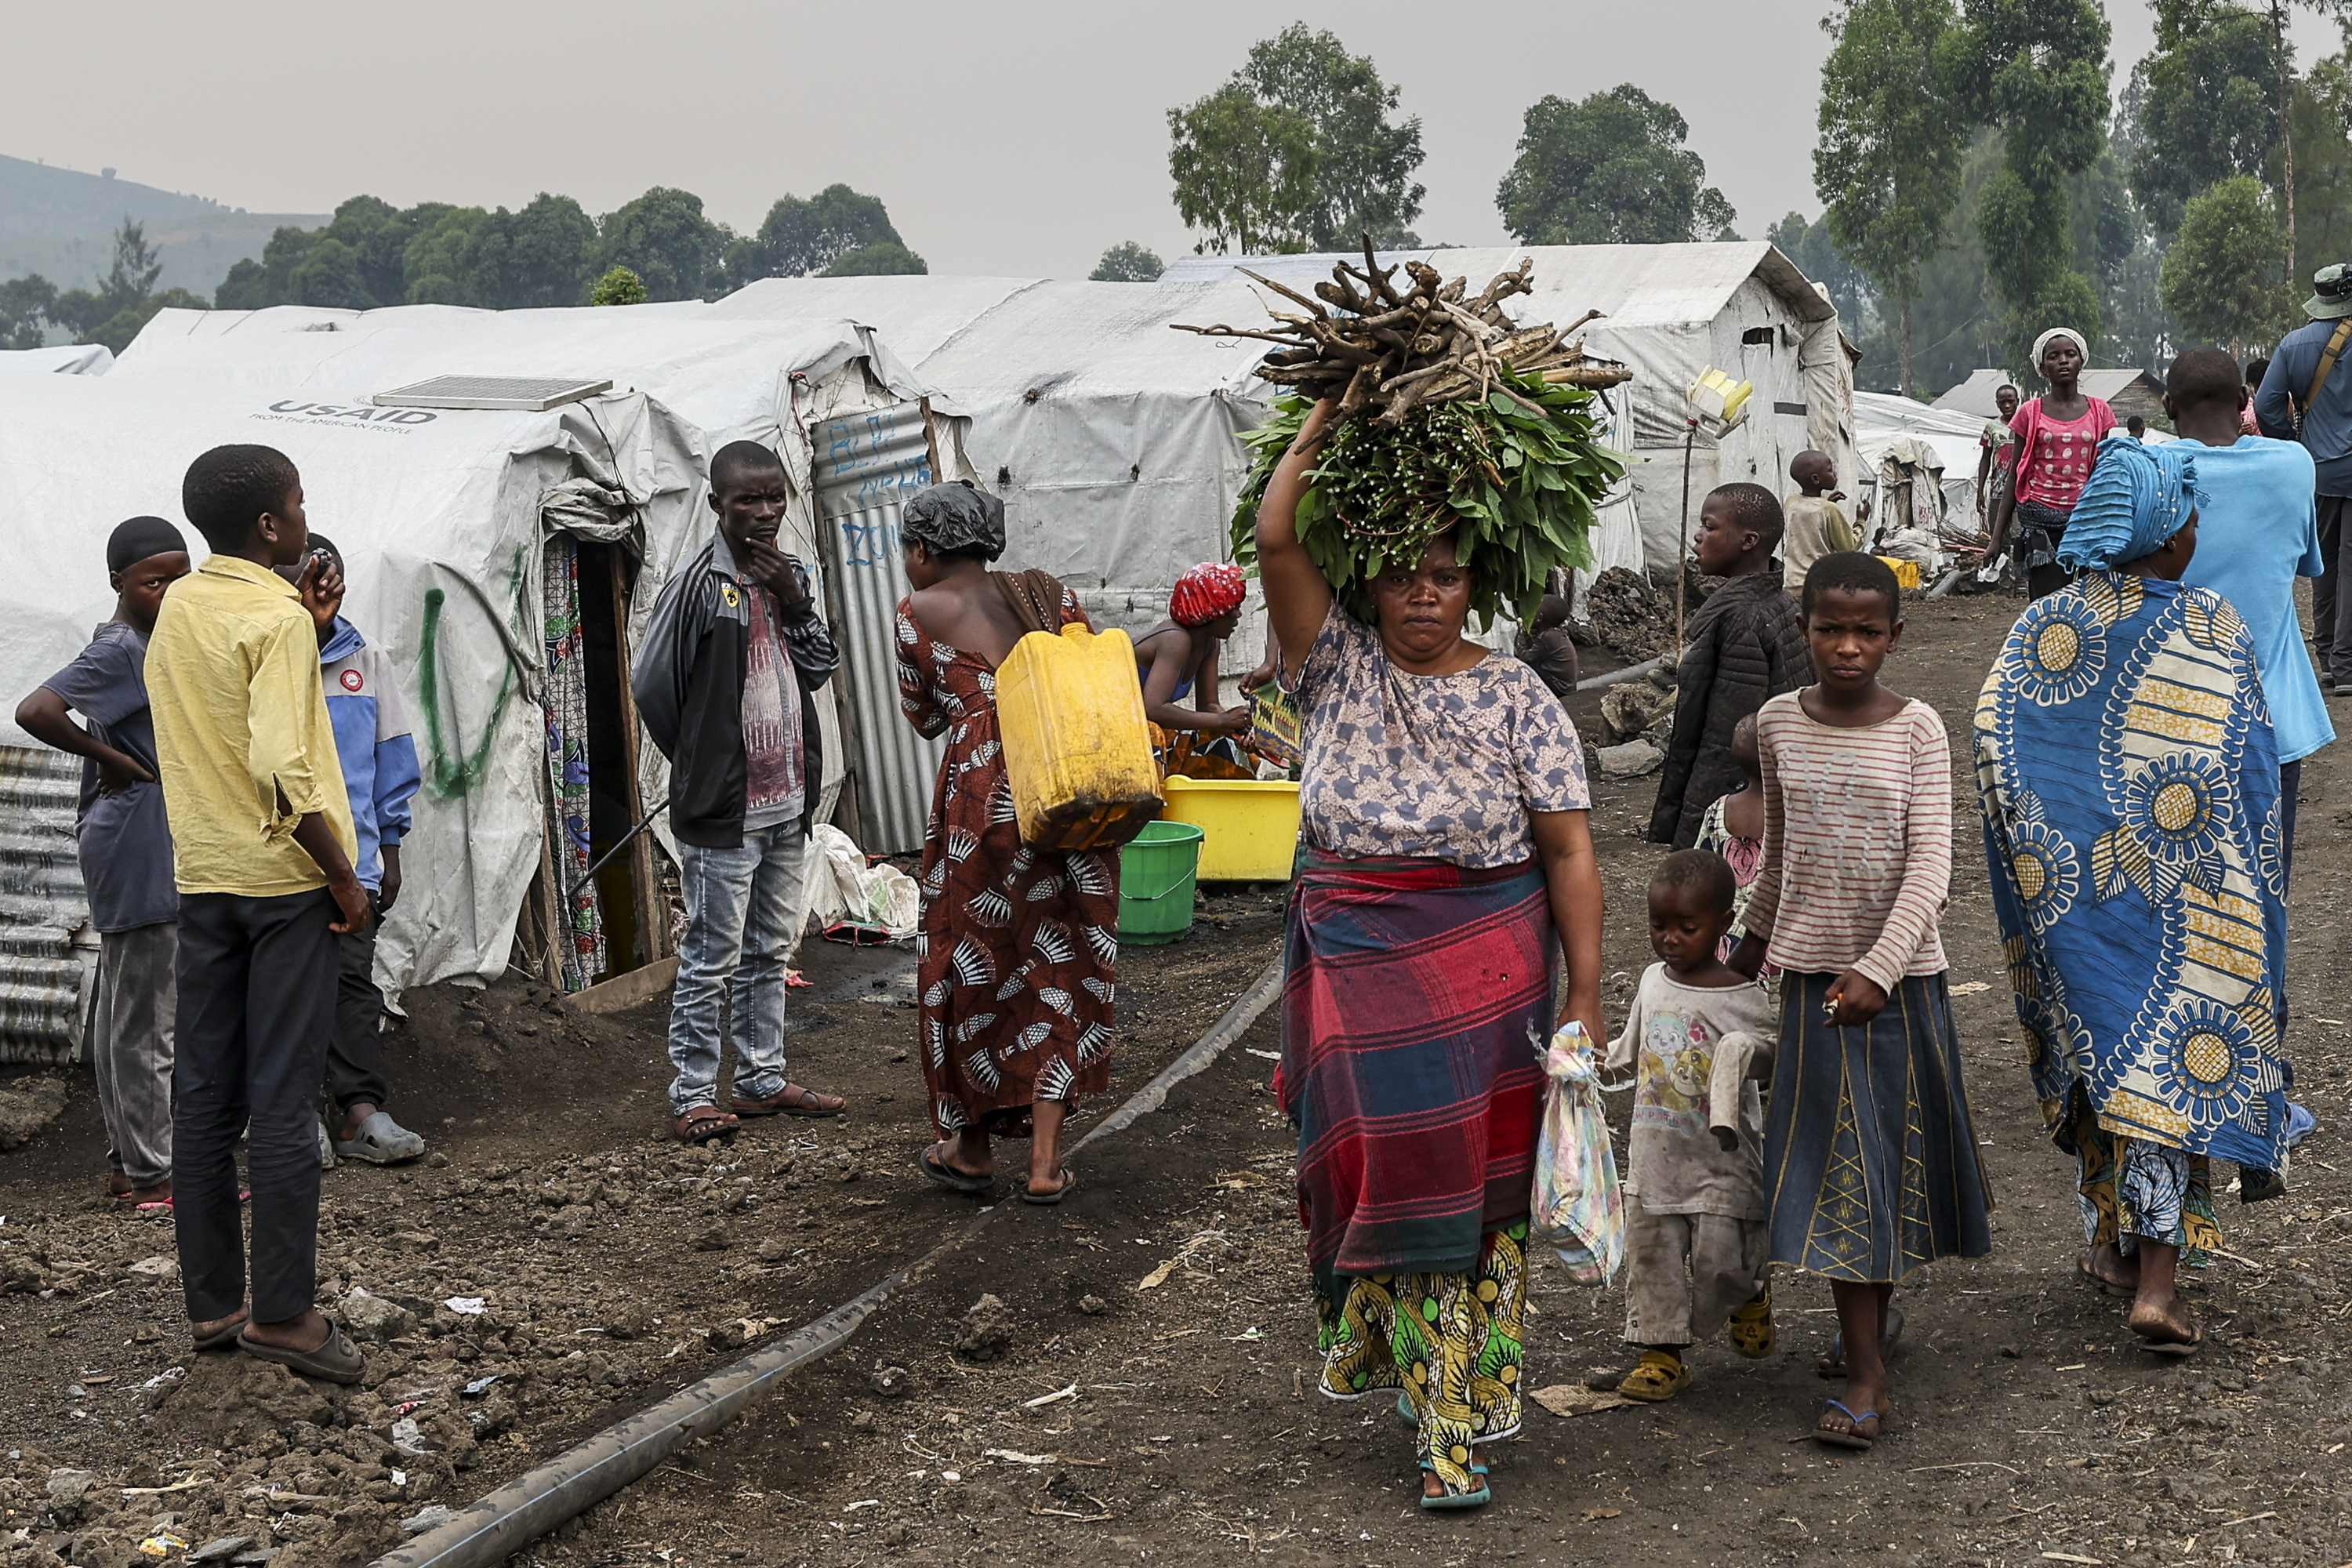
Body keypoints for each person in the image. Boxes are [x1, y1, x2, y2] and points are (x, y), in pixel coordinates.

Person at [1256, 397, 1606, 1510]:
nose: (1422, 592)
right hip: (1359, 954)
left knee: (1476, 1184)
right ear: (1367, 582)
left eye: (1444, 575)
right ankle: (1426, 1373)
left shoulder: (1519, 696)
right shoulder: (1336, 666)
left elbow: (1569, 852)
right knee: (1395, 1168)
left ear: (1474, 588)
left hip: (1489, 960)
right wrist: (1323, 423)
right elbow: (1276, 537)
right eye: (1402, 573)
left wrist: (1588, 993)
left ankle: (1452, 1418)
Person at [1976, 435, 2290, 1356]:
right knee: (2170, 1059)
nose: (2198, 531)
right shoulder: (2208, 627)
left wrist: (2039, 854)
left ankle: (2115, 1247)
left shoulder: (2040, 628)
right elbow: (2254, 767)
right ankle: (2158, 1281)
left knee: (2109, 1053)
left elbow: (1995, 739)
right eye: (2189, 518)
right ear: (2164, 532)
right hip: (2193, 889)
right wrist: (2247, 881)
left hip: (2071, 890)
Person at [1730, 551, 1992, 1450]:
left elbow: (1932, 866)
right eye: (1830, 628)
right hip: (1812, 983)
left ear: (1894, 635)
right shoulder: (1775, 723)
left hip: (1896, 988)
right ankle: (1866, 1350)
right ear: (1803, 627)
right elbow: (1783, 851)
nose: (1847, 647)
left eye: (1867, 631)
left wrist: (1880, 968)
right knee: (1846, 1173)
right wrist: (1746, 945)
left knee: (1879, 1165)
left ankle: (1868, 1358)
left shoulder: (1918, 729)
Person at [148, 445, 370, 1381]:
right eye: (298, 503)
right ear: (274, 528)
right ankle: (284, 1315)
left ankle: (216, 1308)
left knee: (203, 1098)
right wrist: (345, 881)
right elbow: (281, 765)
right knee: (281, 1100)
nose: (304, 515)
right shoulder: (273, 618)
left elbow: (222, 718)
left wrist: (308, 630)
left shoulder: (181, 609)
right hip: (286, 887)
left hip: (205, 881)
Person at [895, 481, 1117, 1204]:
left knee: (974, 960)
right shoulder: (1051, 596)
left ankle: (972, 1148)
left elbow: (923, 715)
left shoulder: (919, 614)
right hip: (1063, 792)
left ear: (922, 550)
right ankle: (1047, 1165)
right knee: (1056, 963)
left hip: (979, 807)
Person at [633, 441, 847, 1145]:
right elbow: (653, 688)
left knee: (770, 951)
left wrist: (795, 598)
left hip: (787, 801)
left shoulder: (789, 574)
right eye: (746, 500)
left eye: (773, 497)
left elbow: (819, 668)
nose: (763, 512)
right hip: (726, 809)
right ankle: (694, 1091)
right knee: (711, 957)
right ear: (717, 504)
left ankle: (760, 1080)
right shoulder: (700, 583)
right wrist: (701, 761)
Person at [15, 517, 191, 1208]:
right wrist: (114, 759)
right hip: (140, 836)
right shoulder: (124, 648)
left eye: (181, 579)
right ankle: (155, 1176)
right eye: (154, 582)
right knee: (148, 1016)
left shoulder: (141, 640)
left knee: (127, 1006)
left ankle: (131, 1165)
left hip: (126, 835)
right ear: (118, 582)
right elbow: (36, 710)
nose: (170, 593)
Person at [1601, 849, 1775, 1403]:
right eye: (1659, 925)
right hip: (1656, 1154)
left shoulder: (1745, 998)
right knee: (1652, 1257)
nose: (1670, 939)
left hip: (1721, 1161)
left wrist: (1746, 1053)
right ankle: (1661, 1354)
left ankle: (1748, 1293)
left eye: (1687, 927)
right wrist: (1586, 1063)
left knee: (1723, 1258)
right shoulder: (1653, 981)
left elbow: (1776, 1058)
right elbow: (1631, 1048)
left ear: (1723, 925)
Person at [278, 533, 427, 1166]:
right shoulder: (264, 655)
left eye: (326, 570)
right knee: (285, 992)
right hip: (278, 868)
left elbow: (391, 758)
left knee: (351, 984)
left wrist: (389, 850)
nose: (318, 582)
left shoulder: (365, 659)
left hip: (355, 863)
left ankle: (359, 1111)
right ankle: (294, 1115)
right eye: (305, 572)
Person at [2166, 349, 2332, 882]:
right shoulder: (2293, 467)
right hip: (2273, 720)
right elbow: (2306, 565)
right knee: (2262, 886)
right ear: (2244, 401)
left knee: (2179, 889)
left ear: (2168, 407)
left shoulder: (2153, 473)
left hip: (2171, 721)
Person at [1648, 484, 1813, 848]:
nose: (1698, 535)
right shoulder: (1779, 600)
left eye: (1709, 526)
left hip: (1744, 811)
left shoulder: (1741, 619)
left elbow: (1727, 738)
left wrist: (1696, 833)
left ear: (1748, 541)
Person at [2256, 263, 2352, 693]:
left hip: (2318, 469)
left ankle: (2329, 658)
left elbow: (2266, 406)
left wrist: (2292, 444)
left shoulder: (2294, 344)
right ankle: (2348, 664)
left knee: (2326, 560)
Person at [1988, 328, 2120, 600]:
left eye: (2070, 354)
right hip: (2040, 525)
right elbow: (2015, 474)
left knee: (2086, 603)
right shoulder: (2029, 412)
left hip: (2085, 522)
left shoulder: (2099, 410)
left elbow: (2099, 470)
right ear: (2042, 367)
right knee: (2047, 606)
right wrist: (1996, 537)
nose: (2062, 360)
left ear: (2081, 361)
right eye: (2053, 356)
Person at [1133, 561, 1254, 777]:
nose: (1238, 614)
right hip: (1125, 726)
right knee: (1159, 738)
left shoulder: (1210, 643)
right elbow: (1153, 708)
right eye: (1232, 607)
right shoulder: (1175, 639)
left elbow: (1208, 706)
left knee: (1230, 745)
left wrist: (1239, 725)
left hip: (1148, 726)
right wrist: (1221, 721)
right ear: (1211, 610)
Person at [1692, 713, 1766, 968]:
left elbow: (1699, 870)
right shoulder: (1792, 813)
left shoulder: (1717, 810)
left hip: (1725, 934)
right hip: (1771, 934)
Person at [1781, 451, 1858, 583]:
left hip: (1791, 580)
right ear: (1816, 479)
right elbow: (1848, 547)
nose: (1835, 474)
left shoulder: (1791, 502)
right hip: (1819, 582)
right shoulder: (1828, 509)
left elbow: (1810, 518)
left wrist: (1827, 501)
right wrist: (1861, 520)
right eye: (1830, 470)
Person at [1515, 592, 1581, 704]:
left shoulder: (1548, 638)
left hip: (1560, 688)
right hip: (1567, 686)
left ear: (1540, 618)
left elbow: (1526, 658)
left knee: (1525, 669)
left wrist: (1519, 637)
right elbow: (1537, 652)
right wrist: (1528, 639)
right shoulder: (1555, 634)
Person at [1975, 383, 2022, 525]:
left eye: (2011, 401)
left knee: (2022, 533)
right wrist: (1980, 490)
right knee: (1999, 531)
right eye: (2003, 402)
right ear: (1997, 404)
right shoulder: (1992, 427)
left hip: (2023, 488)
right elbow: (1985, 459)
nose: (2007, 406)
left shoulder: (2027, 424)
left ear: (2018, 401)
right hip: (1998, 488)